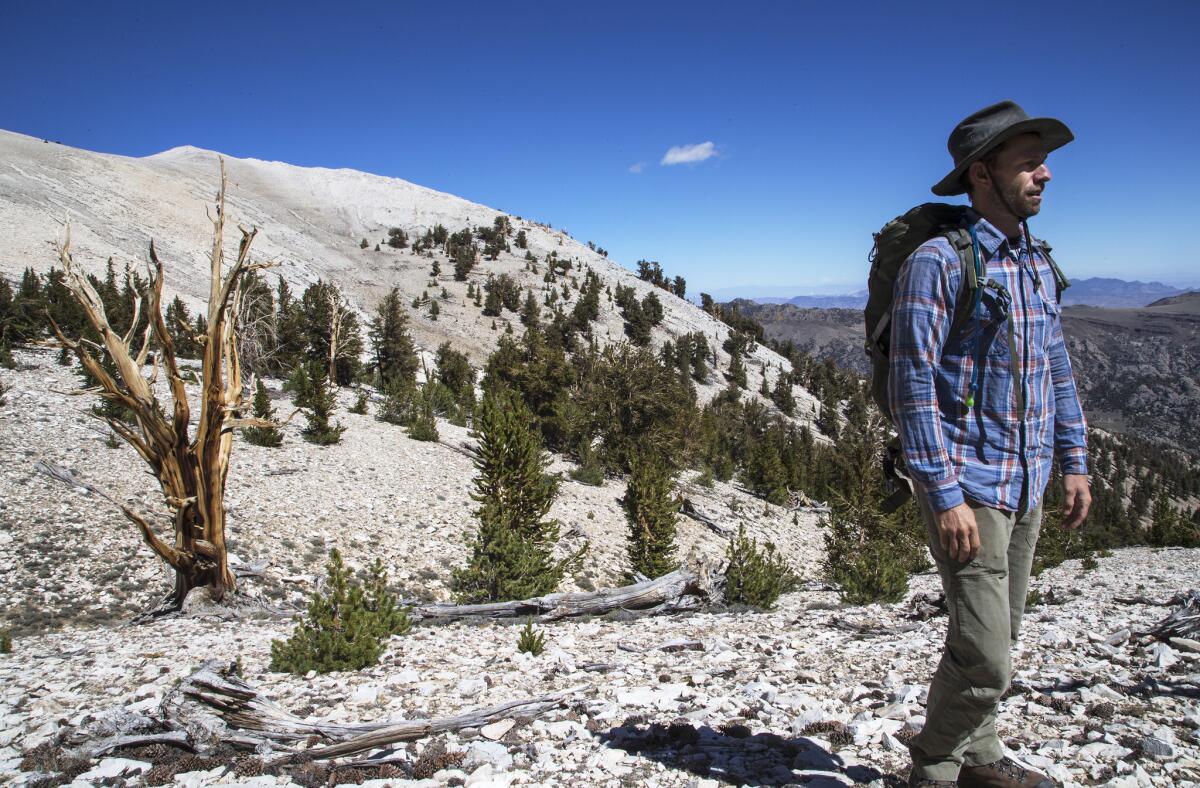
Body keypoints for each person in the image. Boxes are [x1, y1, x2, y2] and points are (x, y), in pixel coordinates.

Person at [889, 101, 1092, 787]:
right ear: (982, 173)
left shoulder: (1036, 262)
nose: (1046, 174)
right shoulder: (938, 263)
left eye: (1044, 160)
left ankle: (981, 757)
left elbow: (1055, 368)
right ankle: (934, 768)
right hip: (971, 486)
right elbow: (913, 386)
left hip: (1028, 478)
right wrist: (943, 496)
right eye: (1028, 162)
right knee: (985, 655)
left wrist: (1074, 461)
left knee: (1000, 634)